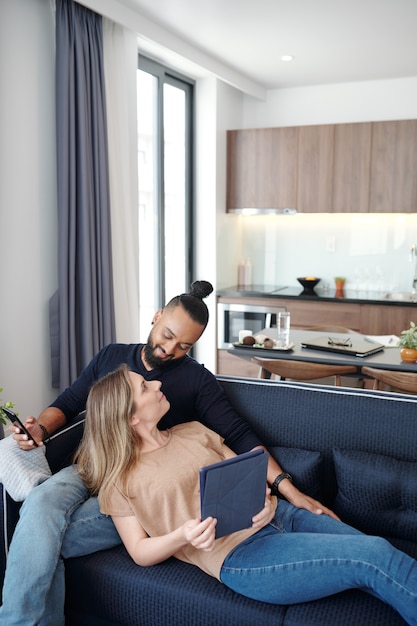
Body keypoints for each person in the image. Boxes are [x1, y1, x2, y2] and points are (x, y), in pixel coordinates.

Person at [0, 280, 335, 626]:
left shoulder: (196, 380)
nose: (170, 349)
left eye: (184, 345)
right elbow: (69, 403)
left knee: (40, 539)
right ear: (157, 316)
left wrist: (288, 488)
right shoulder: (111, 356)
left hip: (139, 488)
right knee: (40, 506)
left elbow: (239, 434)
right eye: (168, 335)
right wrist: (40, 428)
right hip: (91, 464)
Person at [77, 364, 417, 625]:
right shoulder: (120, 480)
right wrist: (182, 535)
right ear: (131, 416)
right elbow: (138, 551)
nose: (159, 384)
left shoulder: (193, 431)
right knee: (373, 556)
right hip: (243, 555)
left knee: (380, 558)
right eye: (145, 387)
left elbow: (246, 473)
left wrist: (268, 501)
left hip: (283, 516)